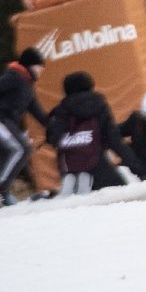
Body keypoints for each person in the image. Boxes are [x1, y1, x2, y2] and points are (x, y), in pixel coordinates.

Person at [45, 71, 137, 196]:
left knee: (77, 204)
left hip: (69, 166)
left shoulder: (60, 110)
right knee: (121, 195)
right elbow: (113, 138)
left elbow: (53, 139)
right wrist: (133, 162)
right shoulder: (99, 105)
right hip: (96, 164)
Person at [0, 47, 50, 207]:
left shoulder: (27, 87)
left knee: (17, 149)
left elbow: (38, 113)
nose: (41, 70)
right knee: (21, 148)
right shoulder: (13, 76)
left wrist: (56, 125)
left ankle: (4, 194)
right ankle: (2, 190)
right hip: (2, 119)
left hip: (7, 122)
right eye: (39, 66)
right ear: (29, 65)